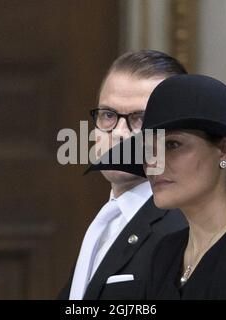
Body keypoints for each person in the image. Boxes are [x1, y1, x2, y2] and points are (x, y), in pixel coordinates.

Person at [88, 74, 226, 299]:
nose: (154, 162)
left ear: (224, 149)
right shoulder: (167, 252)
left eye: (173, 145)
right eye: (148, 149)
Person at [58, 50, 188, 300]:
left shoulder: (182, 228)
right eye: (108, 115)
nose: (119, 132)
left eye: (139, 119)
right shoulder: (105, 221)